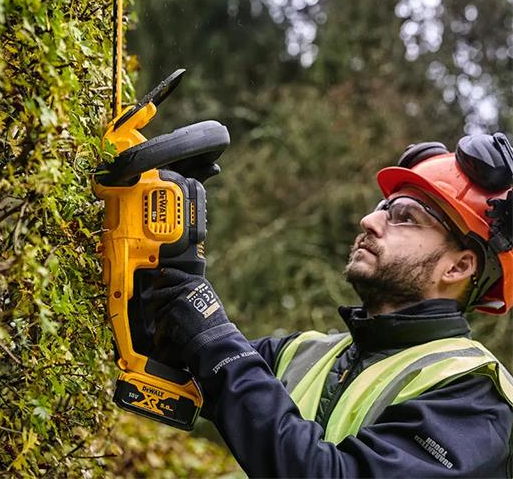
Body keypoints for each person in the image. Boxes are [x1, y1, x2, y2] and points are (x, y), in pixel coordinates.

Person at [150, 133, 513, 478]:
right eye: (383, 208)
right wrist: (158, 253)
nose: (369, 221)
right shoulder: (302, 355)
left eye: (405, 216)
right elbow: (159, 350)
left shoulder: (474, 397)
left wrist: (212, 333)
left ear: (458, 267)